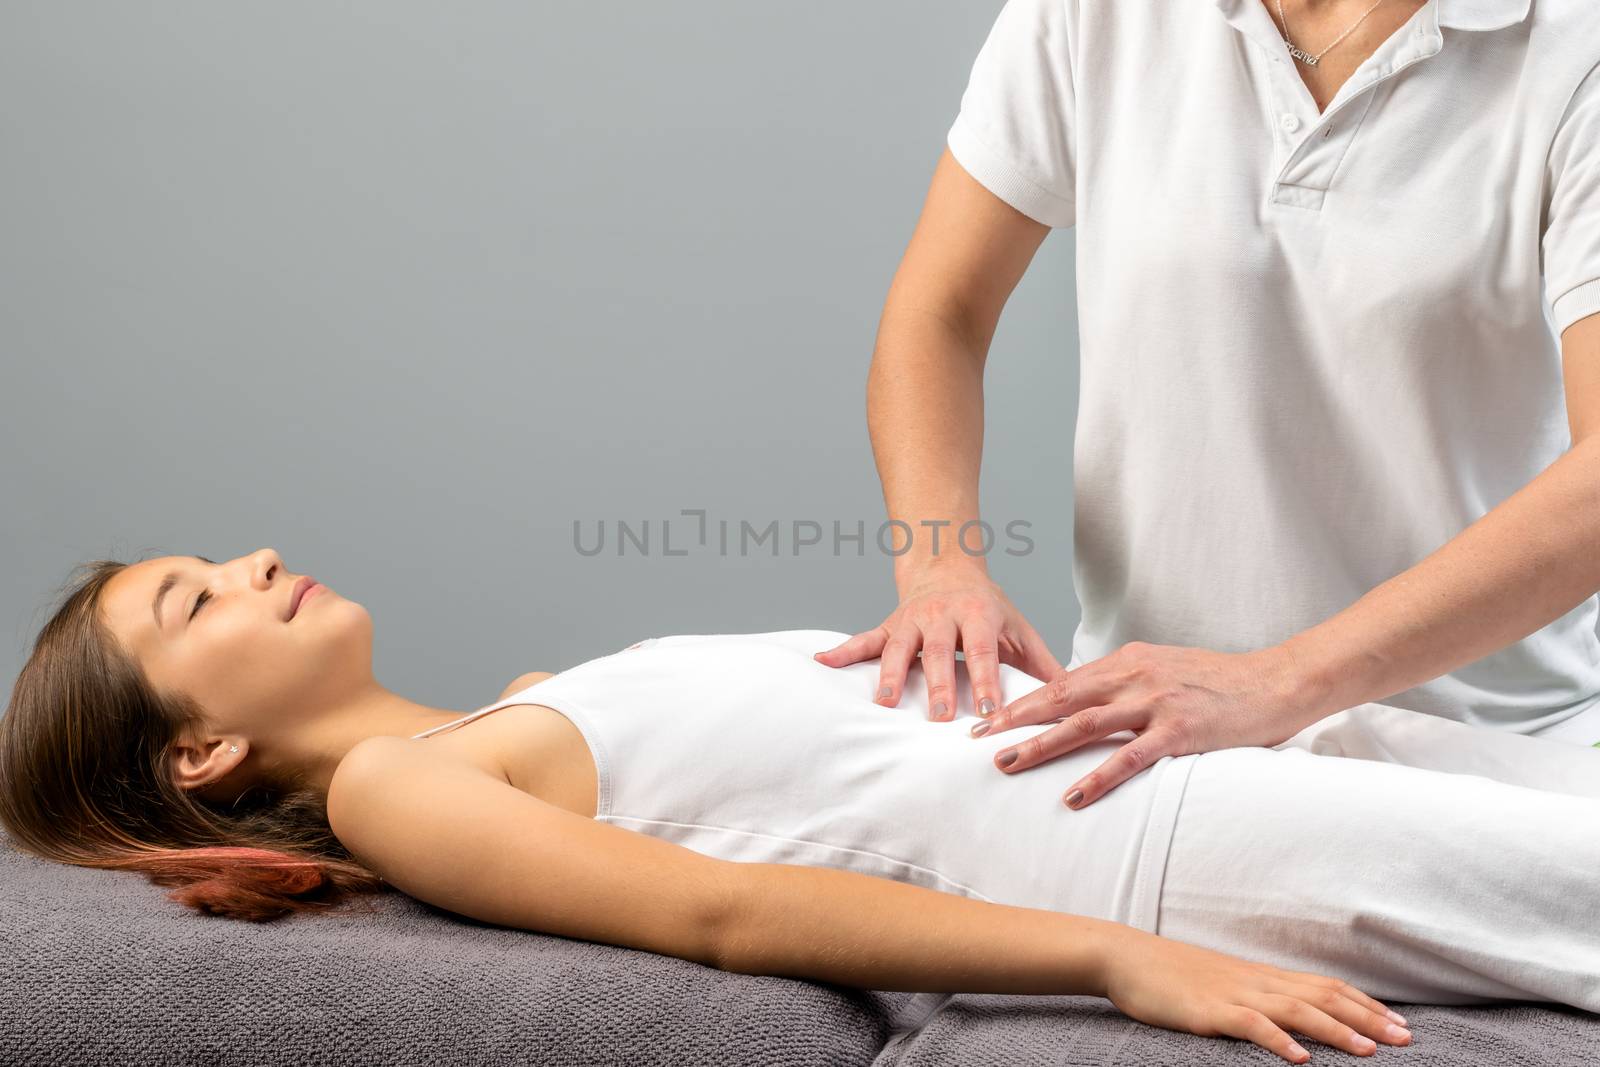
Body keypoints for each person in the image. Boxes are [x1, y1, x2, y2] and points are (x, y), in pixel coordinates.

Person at [6, 551, 1600, 1063]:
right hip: (1155, 836)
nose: (252, 561)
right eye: (193, 600)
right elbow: (725, 911)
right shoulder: (396, 789)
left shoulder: (528, 695)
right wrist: (1120, 959)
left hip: (1191, 731)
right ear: (202, 751)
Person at [815, 0, 1600, 809]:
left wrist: (1277, 681)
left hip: (1479, 760)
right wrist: (938, 563)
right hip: (1150, 751)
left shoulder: (1574, 49)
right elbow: (940, 311)